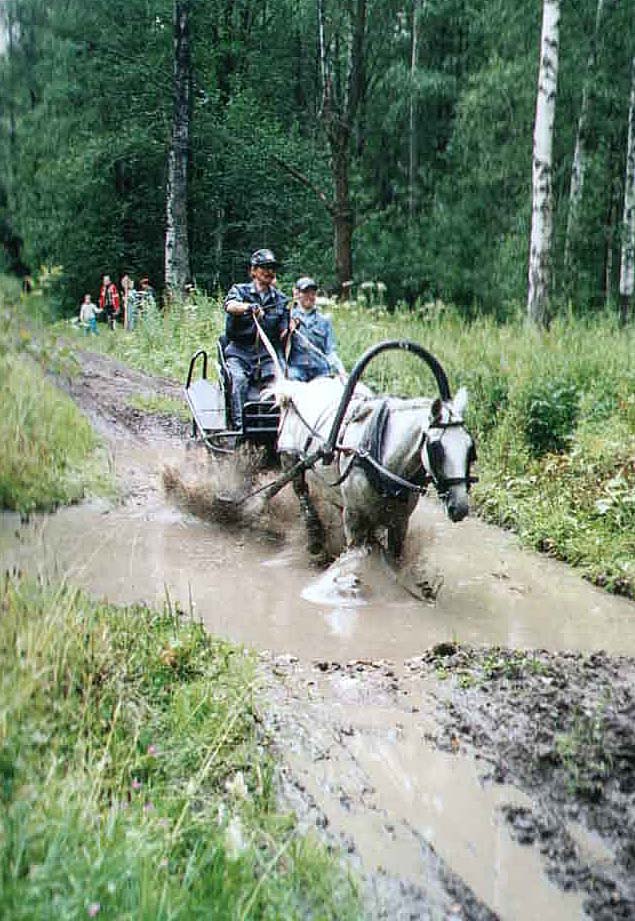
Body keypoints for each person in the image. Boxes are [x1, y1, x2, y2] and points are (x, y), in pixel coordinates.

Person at [222, 248, 289, 430]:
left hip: (267, 356)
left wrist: (292, 328)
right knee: (239, 380)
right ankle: (239, 428)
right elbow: (230, 306)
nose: (268, 271)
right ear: (253, 271)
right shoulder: (239, 290)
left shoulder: (281, 300)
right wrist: (248, 308)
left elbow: (283, 334)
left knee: (280, 382)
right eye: (264, 267)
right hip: (239, 352)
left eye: (272, 268)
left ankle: (276, 428)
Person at [287, 276, 345, 381]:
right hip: (297, 370)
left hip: (320, 370)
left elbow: (330, 351)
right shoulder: (287, 318)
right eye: (305, 293)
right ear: (296, 294)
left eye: (313, 293)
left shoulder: (324, 321)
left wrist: (340, 369)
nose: (309, 296)